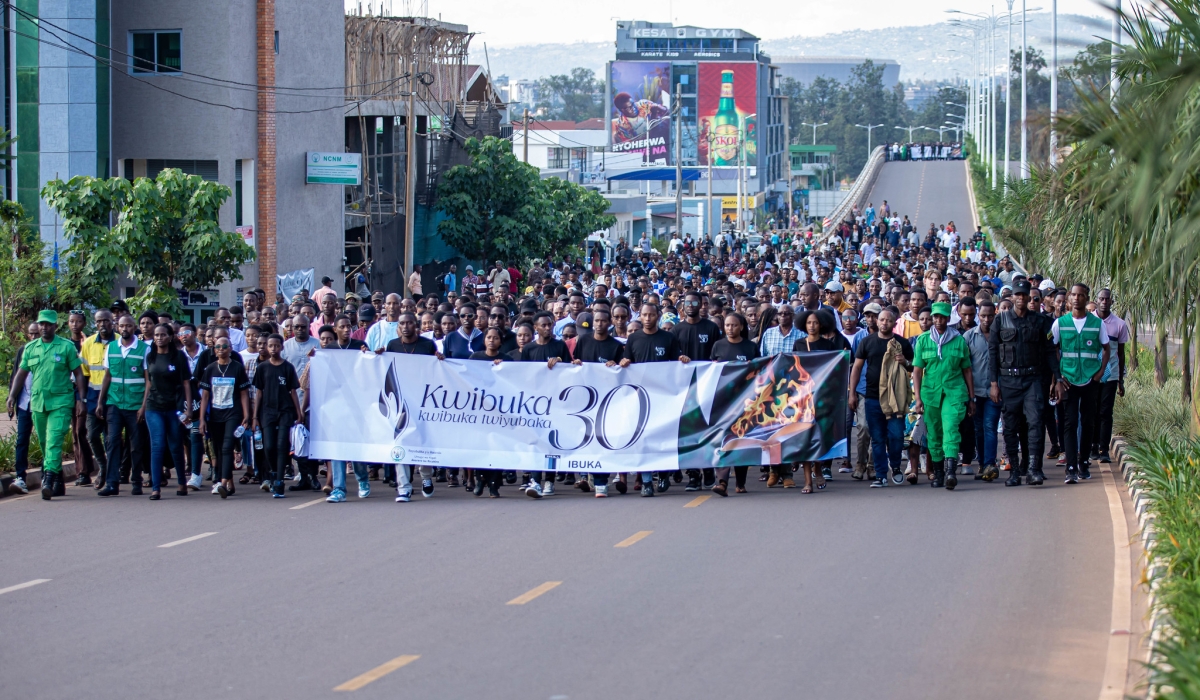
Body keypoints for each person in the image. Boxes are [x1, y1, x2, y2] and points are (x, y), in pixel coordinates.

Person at [989, 280, 1058, 487]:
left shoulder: (1040, 321)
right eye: (1017, 295)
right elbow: (993, 353)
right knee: (1011, 427)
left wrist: (1058, 379)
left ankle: (1034, 469)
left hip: (1033, 380)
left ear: (1029, 297)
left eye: (1024, 295)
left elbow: (1049, 353)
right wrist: (994, 383)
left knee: (1035, 423)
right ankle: (1015, 472)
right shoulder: (1000, 321)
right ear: (1012, 297)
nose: (1020, 298)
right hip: (1008, 380)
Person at [620, 303, 690, 497]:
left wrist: (682, 359)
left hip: (663, 397)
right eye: (644, 315)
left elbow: (677, 361)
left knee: (662, 438)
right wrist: (624, 363)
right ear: (640, 317)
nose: (648, 318)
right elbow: (626, 363)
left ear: (658, 316)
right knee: (643, 439)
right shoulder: (633, 338)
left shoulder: (668, 338)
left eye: (652, 315)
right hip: (640, 398)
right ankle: (647, 481)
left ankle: (664, 473)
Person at [912, 302, 974, 490]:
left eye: (942, 317)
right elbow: (917, 370)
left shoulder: (958, 340)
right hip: (930, 393)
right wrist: (918, 398)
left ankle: (950, 473)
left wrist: (972, 398)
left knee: (951, 429)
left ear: (948, 319)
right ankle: (938, 474)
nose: (938, 321)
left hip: (954, 392)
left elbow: (967, 371)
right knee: (934, 433)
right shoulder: (923, 340)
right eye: (936, 317)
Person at [1052, 283, 1110, 483]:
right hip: (1068, 380)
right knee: (1069, 422)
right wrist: (1057, 379)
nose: (1076, 298)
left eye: (1080, 295)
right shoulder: (1060, 323)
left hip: (1090, 379)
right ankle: (1070, 467)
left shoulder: (1097, 324)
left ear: (1086, 298)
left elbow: (1107, 349)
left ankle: (1083, 463)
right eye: (1073, 295)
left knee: (1087, 422)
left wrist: (1100, 373)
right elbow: (1052, 350)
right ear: (1069, 298)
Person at [383, 312, 441, 501]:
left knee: (422, 442)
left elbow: (437, 371)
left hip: (423, 402)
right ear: (398, 326)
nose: (406, 326)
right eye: (402, 323)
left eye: (409, 323)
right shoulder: (392, 345)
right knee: (399, 442)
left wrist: (440, 359)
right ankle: (404, 487)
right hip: (400, 403)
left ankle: (425, 477)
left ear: (416, 325)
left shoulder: (427, 345)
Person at [521, 311, 575, 499]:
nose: (547, 328)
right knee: (537, 441)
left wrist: (560, 361)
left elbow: (571, 370)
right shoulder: (529, 349)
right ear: (535, 327)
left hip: (556, 402)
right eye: (543, 325)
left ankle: (549, 481)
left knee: (551, 442)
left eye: (550, 324)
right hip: (536, 403)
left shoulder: (559, 345)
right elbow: (521, 374)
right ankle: (535, 480)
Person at [95, 314, 150, 497]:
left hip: (135, 405)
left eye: (128, 326)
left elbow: (148, 381)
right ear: (117, 327)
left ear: (135, 327)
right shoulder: (111, 348)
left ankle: (136, 481)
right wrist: (100, 401)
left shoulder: (144, 349)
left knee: (136, 445)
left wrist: (143, 406)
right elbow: (108, 376)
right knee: (113, 442)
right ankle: (112, 483)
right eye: (121, 326)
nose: (125, 329)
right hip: (115, 403)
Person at [673, 291, 722, 491]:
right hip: (684, 388)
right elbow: (672, 357)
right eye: (687, 302)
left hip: (707, 385)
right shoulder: (677, 329)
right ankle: (693, 474)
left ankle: (708, 470)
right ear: (682, 306)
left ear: (702, 304)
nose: (691, 305)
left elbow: (717, 353)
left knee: (706, 429)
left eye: (695, 302)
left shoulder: (711, 328)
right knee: (687, 432)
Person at [710, 312, 759, 496]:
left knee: (741, 441)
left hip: (745, 402)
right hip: (723, 401)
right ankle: (722, 482)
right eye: (727, 325)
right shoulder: (718, 345)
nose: (730, 329)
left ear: (741, 327)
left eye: (734, 325)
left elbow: (759, 372)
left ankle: (740, 482)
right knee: (723, 439)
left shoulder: (750, 347)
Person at [142, 323, 193, 499]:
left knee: (175, 445)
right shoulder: (150, 356)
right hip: (153, 407)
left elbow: (186, 383)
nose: (159, 338)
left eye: (163, 335)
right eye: (156, 335)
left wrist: (188, 409)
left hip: (174, 408)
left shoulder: (178, 357)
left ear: (170, 337)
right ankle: (156, 487)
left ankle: (181, 482)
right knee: (157, 445)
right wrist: (143, 406)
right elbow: (148, 383)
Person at [198, 336, 252, 499]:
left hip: (233, 413)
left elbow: (244, 394)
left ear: (230, 349)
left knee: (228, 446)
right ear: (214, 350)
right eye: (218, 346)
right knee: (219, 449)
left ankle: (221, 482)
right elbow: (205, 396)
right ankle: (230, 483)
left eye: (224, 346)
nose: (221, 348)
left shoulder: (236, 367)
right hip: (215, 414)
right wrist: (201, 419)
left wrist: (246, 414)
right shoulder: (210, 369)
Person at [963, 300, 1002, 481]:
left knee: (990, 427)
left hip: (996, 391)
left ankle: (989, 464)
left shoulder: (1001, 335)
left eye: (990, 316)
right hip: (975, 392)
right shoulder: (969, 336)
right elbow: (964, 367)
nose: (987, 319)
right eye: (983, 316)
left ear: (995, 314)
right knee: (978, 429)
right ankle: (982, 465)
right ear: (978, 316)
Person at [79, 310, 115, 488]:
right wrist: (82, 400)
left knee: (111, 438)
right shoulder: (88, 343)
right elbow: (83, 375)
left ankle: (109, 474)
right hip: (94, 397)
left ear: (112, 322)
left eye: (106, 321)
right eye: (99, 321)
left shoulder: (119, 342)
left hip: (114, 397)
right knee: (92, 435)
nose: (103, 324)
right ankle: (103, 465)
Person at [1092, 288, 1128, 463]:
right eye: (1101, 299)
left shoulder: (1119, 324)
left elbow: (1121, 353)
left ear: (1111, 302)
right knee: (1091, 411)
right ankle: (1092, 445)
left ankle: (1103, 449)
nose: (1104, 302)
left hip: (1110, 375)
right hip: (1090, 374)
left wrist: (1120, 380)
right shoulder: (1088, 320)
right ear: (1096, 300)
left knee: (1106, 412)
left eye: (1107, 299)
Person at [5, 322, 41, 495]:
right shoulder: (23, 351)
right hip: (24, 403)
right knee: (22, 440)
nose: (34, 337)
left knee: (45, 440)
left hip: (42, 403)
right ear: (28, 335)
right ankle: (20, 477)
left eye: (37, 334)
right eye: (31, 334)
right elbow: (16, 376)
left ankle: (49, 475)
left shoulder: (46, 351)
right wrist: (11, 398)